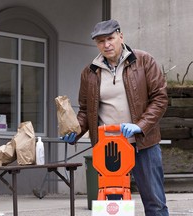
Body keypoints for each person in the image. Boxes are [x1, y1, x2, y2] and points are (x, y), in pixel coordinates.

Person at [61, 19, 169, 215]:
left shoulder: (144, 61)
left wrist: (140, 126)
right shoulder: (90, 72)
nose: (106, 44)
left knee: (154, 202)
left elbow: (160, 99)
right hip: (110, 147)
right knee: (113, 204)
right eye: (101, 41)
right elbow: (86, 110)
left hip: (143, 143)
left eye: (110, 38)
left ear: (121, 36)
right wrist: (75, 131)